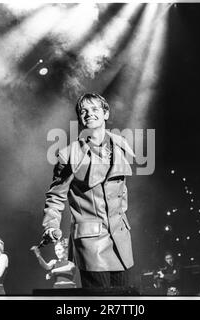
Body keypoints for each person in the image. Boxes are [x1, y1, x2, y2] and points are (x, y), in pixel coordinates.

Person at [42, 93, 135, 289]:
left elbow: (122, 190)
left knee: (125, 302)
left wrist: (122, 215)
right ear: (79, 118)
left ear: (105, 113)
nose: (89, 114)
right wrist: (51, 225)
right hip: (91, 242)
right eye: (83, 111)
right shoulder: (69, 154)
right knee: (99, 302)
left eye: (94, 109)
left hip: (120, 237)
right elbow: (55, 196)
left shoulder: (121, 146)